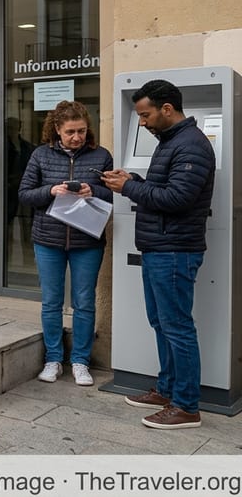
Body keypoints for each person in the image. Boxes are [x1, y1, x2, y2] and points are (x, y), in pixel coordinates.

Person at [103, 79, 214, 430]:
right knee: (162, 323)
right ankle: (167, 390)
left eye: (146, 114)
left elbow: (178, 200)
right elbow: (165, 189)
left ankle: (186, 407)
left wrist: (130, 187)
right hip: (159, 248)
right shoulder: (171, 142)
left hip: (175, 251)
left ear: (167, 109)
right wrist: (133, 179)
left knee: (178, 328)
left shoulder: (191, 145)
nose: (142, 122)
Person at [17, 101, 113, 387]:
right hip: (48, 239)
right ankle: (54, 359)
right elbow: (24, 194)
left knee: (84, 302)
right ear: (56, 129)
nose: (77, 137)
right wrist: (51, 190)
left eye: (82, 131)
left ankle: (81, 362)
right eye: (70, 131)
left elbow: (112, 194)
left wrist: (92, 189)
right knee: (52, 302)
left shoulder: (101, 156)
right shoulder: (40, 155)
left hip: (88, 240)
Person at [0, 117, 34, 257]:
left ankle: (27, 260)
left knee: (27, 227)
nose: (12, 130)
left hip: (24, 191)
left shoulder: (27, 147)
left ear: (19, 128)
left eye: (14, 127)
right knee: (4, 230)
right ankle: (4, 261)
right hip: (3, 192)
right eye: (9, 127)